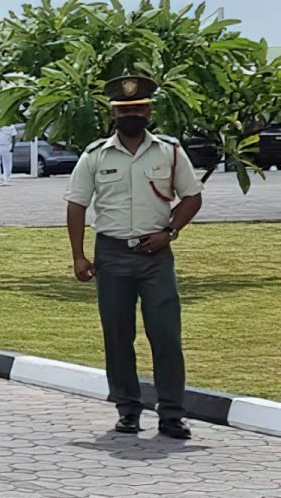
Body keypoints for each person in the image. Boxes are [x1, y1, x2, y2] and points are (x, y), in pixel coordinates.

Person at [66, 75, 204, 440]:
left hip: (156, 254)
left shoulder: (170, 151)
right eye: (124, 110)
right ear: (114, 114)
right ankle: (127, 409)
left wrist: (170, 232)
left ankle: (172, 414)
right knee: (117, 334)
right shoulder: (95, 155)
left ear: (148, 111)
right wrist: (79, 256)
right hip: (111, 254)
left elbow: (191, 197)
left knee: (166, 334)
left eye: (138, 109)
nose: (132, 115)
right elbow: (77, 205)